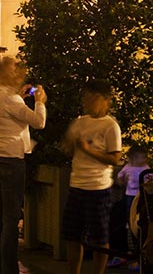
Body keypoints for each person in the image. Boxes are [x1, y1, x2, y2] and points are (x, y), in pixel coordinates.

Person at [0, 56, 46, 274]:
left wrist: (19, 97)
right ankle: (9, 269)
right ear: (7, 75)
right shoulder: (10, 99)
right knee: (11, 219)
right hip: (9, 159)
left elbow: (7, 115)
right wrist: (40, 102)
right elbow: (39, 122)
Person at [61, 79, 122, 274]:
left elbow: (115, 158)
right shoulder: (80, 122)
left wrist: (88, 149)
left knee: (99, 237)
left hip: (98, 188)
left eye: (90, 98)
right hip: (76, 184)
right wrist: (70, 145)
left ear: (104, 100)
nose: (86, 102)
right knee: (73, 235)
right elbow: (69, 149)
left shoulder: (111, 126)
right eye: (84, 97)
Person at [111, 146, 150, 267]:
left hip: (141, 196)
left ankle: (136, 225)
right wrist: (123, 181)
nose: (143, 159)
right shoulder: (128, 167)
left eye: (144, 157)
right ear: (133, 158)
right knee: (130, 212)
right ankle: (130, 222)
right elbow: (119, 179)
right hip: (129, 195)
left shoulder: (146, 169)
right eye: (140, 157)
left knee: (141, 213)